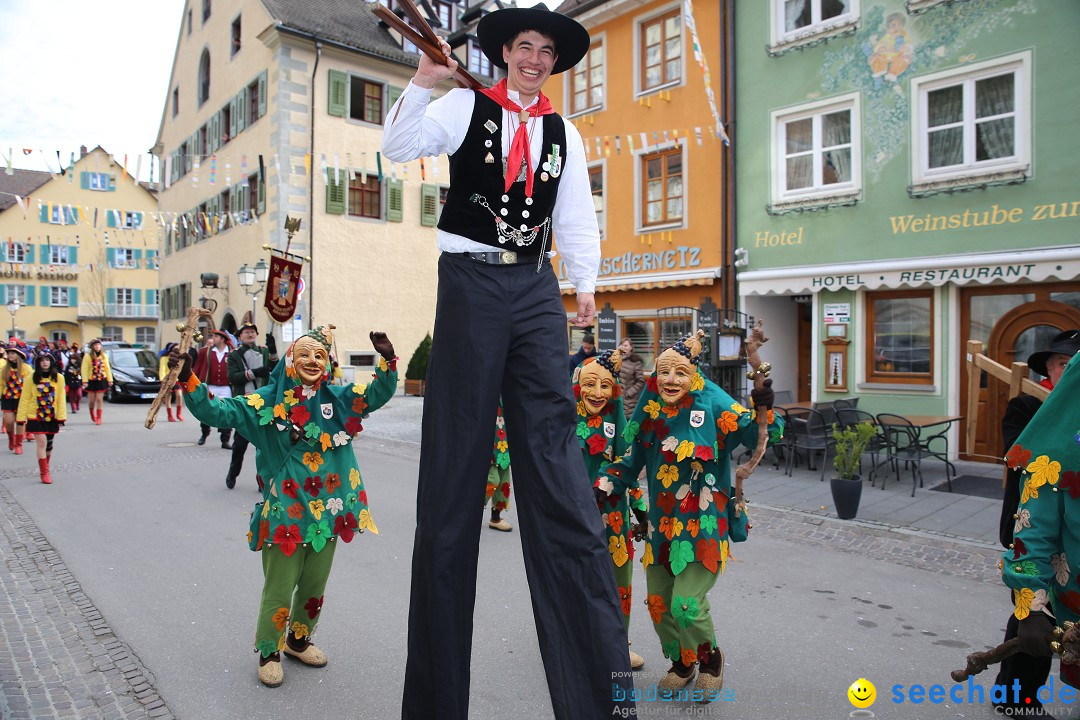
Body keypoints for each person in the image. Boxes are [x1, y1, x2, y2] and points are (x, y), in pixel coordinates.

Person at [382, 4, 636, 717]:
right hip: (468, 285)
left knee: (559, 474)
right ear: (504, 53)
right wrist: (424, 79)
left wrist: (584, 283)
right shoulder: (463, 105)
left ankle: (595, 700)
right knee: (454, 481)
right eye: (524, 46)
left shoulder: (564, 131)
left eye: (545, 50)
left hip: (531, 287)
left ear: (553, 63)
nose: (534, 58)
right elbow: (397, 148)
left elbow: (575, 212)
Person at [170, 326, 397, 687]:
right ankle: (269, 650)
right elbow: (217, 411)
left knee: (314, 585)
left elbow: (375, 394)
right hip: (285, 516)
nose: (312, 361)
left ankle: (298, 640)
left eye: (319, 356)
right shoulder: (264, 403)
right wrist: (188, 377)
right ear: (290, 360)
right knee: (279, 587)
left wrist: (387, 360)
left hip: (330, 515)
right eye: (304, 354)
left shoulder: (338, 400)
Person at [594, 332, 781, 700]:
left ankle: (710, 661)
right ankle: (683, 662)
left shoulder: (712, 400)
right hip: (662, 528)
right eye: (664, 372)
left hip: (704, 526)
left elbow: (761, 431)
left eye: (679, 372)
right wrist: (604, 484)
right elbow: (631, 463)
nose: (670, 380)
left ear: (693, 374)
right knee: (659, 604)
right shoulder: (652, 410)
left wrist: (763, 406)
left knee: (686, 604)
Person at [995, 329, 1080, 714]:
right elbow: (1016, 455)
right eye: (1063, 363)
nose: (1069, 369)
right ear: (1050, 369)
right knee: (1031, 620)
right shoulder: (1027, 407)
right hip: (1032, 530)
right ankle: (1016, 698)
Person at [573, 347, 648, 670]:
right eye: (591, 384)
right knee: (579, 579)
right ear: (578, 386)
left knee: (620, 581)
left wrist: (642, 511)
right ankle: (576, 640)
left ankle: (618, 643)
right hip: (575, 516)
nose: (598, 393)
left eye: (605, 386)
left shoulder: (617, 421)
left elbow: (628, 466)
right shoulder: (565, 420)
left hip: (615, 517)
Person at [225, 322, 279, 489]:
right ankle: (232, 473)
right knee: (240, 444)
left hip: (263, 404)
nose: (250, 335)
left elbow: (275, 368)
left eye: (252, 332)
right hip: (245, 404)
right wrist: (254, 373)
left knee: (262, 445)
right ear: (240, 336)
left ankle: (261, 479)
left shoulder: (263, 351)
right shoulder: (234, 356)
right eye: (246, 332)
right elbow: (233, 377)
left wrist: (273, 350)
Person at [17, 350, 66, 484]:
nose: (45, 362)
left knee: (49, 445)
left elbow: (61, 398)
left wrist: (61, 417)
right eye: (42, 360)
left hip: (52, 416)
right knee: (42, 442)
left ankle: (46, 465)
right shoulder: (30, 378)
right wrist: (21, 418)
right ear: (38, 362)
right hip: (35, 416)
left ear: (51, 362)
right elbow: (25, 398)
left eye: (47, 360)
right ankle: (44, 472)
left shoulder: (59, 378)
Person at [192, 330, 235, 448]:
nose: (213, 338)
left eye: (216, 336)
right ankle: (204, 433)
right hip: (210, 387)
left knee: (226, 413)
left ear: (222, 339)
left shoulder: (232, 353)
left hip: (226, 388)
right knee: (206, 411)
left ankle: (225, 440)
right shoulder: (206, 352)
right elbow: (196, 369)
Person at [1, 342, 32, 454]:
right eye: (8, 353)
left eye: (12, 353)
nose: (10, 355)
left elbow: (31, 383)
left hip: (22, 399)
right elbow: (1, 384)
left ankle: (19, 444)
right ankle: (11, 438)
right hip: (8, 398)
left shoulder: (27, 369)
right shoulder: (4, 369)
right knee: (9, 423)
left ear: (18, 355)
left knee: (20, 422)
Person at [486, 403, 513, 531]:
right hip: (489, 438)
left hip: (504, 438)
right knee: (492, 479)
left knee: (504, 481)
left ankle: (495, 518)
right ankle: (465, 512)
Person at [81, 339, 112, 425]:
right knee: (91, 401)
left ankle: (99, 417)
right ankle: (92, 413)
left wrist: (110, 379)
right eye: (95, 345)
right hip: (91, 380)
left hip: (101, 380)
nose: (97, 346)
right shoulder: (88, 356)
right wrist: (85, 381)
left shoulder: (104, 356)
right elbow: (84, 369)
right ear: (92, 347)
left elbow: (107, 368)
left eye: (98, 345)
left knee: (99, 399)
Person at [617, 337, 645, 421]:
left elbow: (640, 381)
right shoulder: (614, 360)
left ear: (631, 347)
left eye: (626, 345)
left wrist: (628, 393)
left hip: (629, 401)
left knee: (627, 424)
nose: (624, 347)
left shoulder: (635, 362)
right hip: (615, 398)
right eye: (622, 345)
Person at [158, 342, 185, 422]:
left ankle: (179, 414)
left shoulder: (179, 358)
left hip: (176, 379)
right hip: (167, 379)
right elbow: (162, 369)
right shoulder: (164, 358)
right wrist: (162, 380)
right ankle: (170, 415)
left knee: (179, 395)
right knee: (168, 397)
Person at [64, 342, 82, 414]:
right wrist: (66, 384)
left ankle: (77, 404)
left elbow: (81, 375)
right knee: (71, 397)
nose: (73, 360)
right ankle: (73, 408)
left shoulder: (78, 366)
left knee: (79, 395)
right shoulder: (68, 367)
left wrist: (83, 383)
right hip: (70, 384)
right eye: (71, 359)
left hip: (78, 383)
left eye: (74, 359)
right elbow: (66, 375)